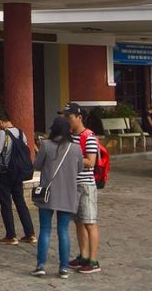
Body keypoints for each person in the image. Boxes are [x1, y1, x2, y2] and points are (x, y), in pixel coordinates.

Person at [31, 116, 84, 278]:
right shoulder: (76, 149)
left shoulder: (46, 146)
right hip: (68, 194)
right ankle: (63, 268)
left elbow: (37, 166)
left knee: (45, 230)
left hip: (48, 194)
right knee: (63, 231)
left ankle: (40, 265)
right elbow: (80, 169)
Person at [63, 103, 101, 274]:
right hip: (73, 185)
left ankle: (93, 260)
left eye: (69, 117)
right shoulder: (70, 136)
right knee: (78, 222)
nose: (67, 121)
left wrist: (71, 156)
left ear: (79, 117)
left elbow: (90, 162)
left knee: (90, 222)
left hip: (85, 185)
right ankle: (83, 256)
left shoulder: (89, 137)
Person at [0, 109, 35, 245]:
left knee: (6, 204)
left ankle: (11, 235)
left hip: (5, 173)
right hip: (18, 172)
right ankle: (30, 233)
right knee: (20, 202)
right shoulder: (21, 133)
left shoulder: (2, 134)